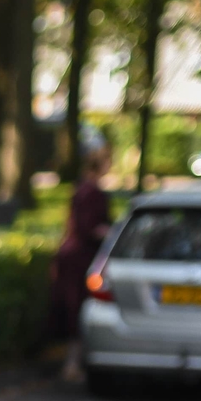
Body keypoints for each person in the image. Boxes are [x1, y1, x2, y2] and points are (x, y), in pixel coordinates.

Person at [51, 140, 114, 383]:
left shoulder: (81, 189)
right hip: (80, 258)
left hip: (72, 255)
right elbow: (89, 227)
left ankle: (74, 363)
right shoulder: (93, 193)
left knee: (73, 308)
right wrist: (111, 233)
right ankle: (73, 364)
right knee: (78, 309)